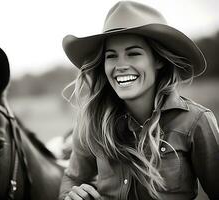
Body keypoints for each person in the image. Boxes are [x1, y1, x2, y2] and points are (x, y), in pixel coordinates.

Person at [59, 1, 219, 200]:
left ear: (159, 60)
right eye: (111, 56)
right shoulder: (92, 122)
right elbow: (72, 178)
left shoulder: (195, 122)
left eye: (133, 54)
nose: (121, 66)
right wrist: (71, 195)